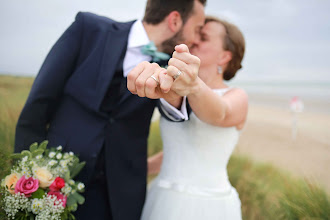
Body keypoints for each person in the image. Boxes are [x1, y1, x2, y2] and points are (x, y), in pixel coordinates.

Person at [14, 0, 206, 219]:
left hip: (119, 200)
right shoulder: (88, 29)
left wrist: (177, 86)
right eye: (198, 29)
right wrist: (27, 180)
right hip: (54, 182)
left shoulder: (171, 67)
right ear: (174, 21)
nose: (196, 40)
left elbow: (177, 114)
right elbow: (38, 105)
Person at [137, 16, 248, 219]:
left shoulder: (237, 97)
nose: (194, 40)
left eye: (203, 37)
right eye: (196, 34)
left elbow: (218, 113)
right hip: (163, 201)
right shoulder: (177, 93)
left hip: (211, 206)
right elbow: (179, 151)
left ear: (224, 57)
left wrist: (193, 85)